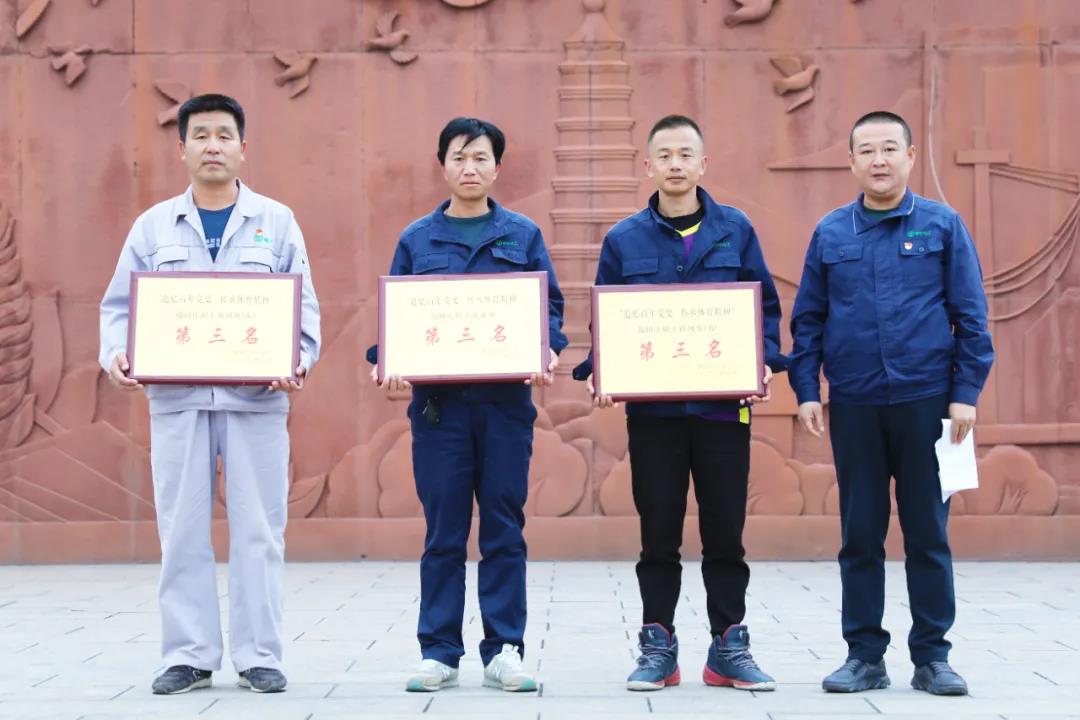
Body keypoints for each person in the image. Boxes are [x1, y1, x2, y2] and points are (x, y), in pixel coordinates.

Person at [99, 93, 321, 695]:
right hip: (178, 402)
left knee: (259, 531)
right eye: (201, 136)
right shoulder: (152, 226)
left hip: (257, 402)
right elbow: (119, 307)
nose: (213, 146)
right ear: (182, 149)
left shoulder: (277, 222)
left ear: (244, 148)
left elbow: (303, 309)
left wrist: (296, 361)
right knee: (180, 530)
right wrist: (117, 354)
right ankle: (188, 654)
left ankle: (258, 655)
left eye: (225, 135)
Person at [573, 114, 783, 692]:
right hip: (655, 415)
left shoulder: (735, 230)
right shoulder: (623, 240)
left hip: (723, 411)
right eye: (664, 155)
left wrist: (763, 361)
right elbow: (606, 317)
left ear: (703, 164)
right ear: (648, 166)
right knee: (658, 533)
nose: (675, 164)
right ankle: (658, 646)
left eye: (685, 154)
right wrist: (602, 370)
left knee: (725, 534)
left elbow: (764, 309)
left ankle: (729, 645)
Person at [789, 110, 993, 696]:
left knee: (928, 533)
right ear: (851, 161)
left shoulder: (942, 225)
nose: (878, 160)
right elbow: (809, 319)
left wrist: (965, 395)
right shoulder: (831, 233)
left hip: (927, 403)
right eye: (867, 150)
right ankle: (864, 656)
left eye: (888, 149)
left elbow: (970, 315)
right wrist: (807, 390)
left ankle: (932, 657)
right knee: (860, 534)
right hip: (855, 403)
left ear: (908, 156)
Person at [367, 117, 566, 693]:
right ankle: (439, 652)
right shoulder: (417, 240)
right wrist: (385, 358)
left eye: (481, 158)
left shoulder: (522, 235)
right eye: (459, 157)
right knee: (444, 532)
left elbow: (549, 309)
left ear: (497, 167)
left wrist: (547, 348)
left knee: (503, 526)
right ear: (443, 165)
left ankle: (505, 648)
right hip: (440, 411)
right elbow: (397, 315)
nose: (470, 168)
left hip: (505, 408)